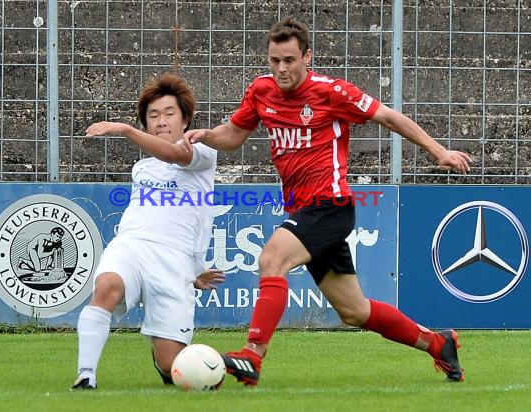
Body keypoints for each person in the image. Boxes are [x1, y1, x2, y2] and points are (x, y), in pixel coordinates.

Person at [184, 17, 471, 386]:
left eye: (289, 59)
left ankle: (252, 356)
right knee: (354, 311)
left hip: (330, 205)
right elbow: (234, 135)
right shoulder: (261, 91)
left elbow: (388, 116)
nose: (281, 68)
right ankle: (437, 342)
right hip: (303, 210)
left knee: (271, 259)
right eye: (274, 60)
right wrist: (206, 135)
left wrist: (438, 150)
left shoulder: (331, 92)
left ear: (307, 56)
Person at [72, 72, 224, 389]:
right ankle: (86, 375)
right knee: (106, 288)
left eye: (169, 113)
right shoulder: (141, 168)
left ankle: (164, 360)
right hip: (132, 246)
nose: (161, 121)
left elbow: (174, 154)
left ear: (185, 120)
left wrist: (193, 270)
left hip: (174, 263)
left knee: (174, 368)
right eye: (153, 116)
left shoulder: (203, 153)